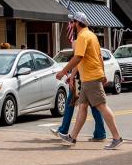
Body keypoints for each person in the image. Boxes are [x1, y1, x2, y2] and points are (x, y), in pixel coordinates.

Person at [53, 11, 124, 149]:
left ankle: (116, 137)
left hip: (90, 77)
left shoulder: (82, 36)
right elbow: (98, 57)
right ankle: (72, 137)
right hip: (88, 78)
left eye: (72, 22)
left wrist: (63, 71)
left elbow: (78, 57)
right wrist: (100, 74)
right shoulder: (91, 35)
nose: (71, 24)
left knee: (102, 106)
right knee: (83, 108)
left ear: (77, 23)